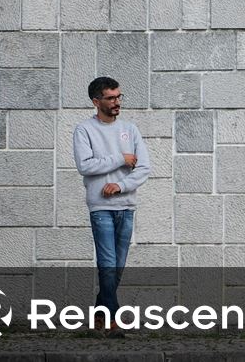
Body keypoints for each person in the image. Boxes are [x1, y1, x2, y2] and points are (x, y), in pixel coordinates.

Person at [72, 76, 152, 337]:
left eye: (119, 96)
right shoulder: (84, 130)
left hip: (126, 206)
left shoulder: (131, 129)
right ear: (97, 101)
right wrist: (120, 158)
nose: (117, 102)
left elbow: (144, 167)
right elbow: (85, 165)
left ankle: (99, 314)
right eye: (110, 98)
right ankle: (111, 321)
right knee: (107, 264)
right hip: (101, 208)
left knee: (117, 266)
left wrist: (121, 186)